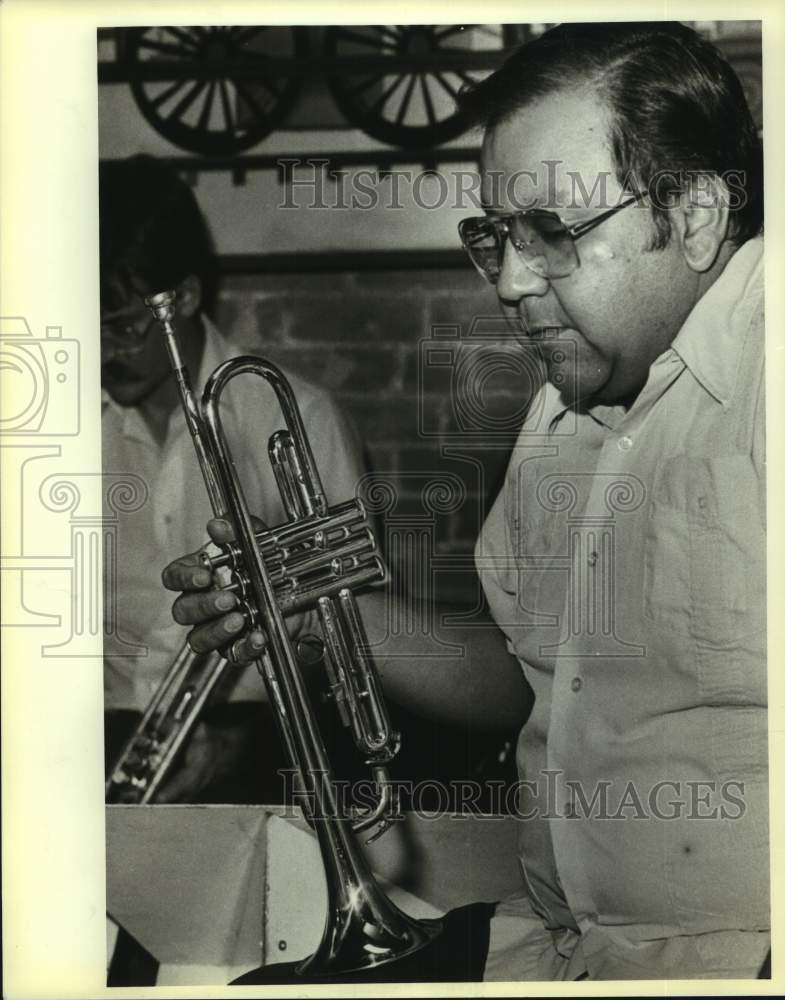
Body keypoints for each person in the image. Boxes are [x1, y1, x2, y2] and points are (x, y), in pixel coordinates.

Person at [161, 23, 768, 980]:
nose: (512, 284)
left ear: (693, 215)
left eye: (553, 235)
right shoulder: (559, 413)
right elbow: (525, 675)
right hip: (562, 948)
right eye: (495, 237)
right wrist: (327, 611)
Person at [100, 154, 367, 803]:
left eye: (124, 327)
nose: (103, 354)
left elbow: (347, 638)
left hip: (266, 737)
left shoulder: (290, 415)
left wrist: (235, 748)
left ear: (185, 297)